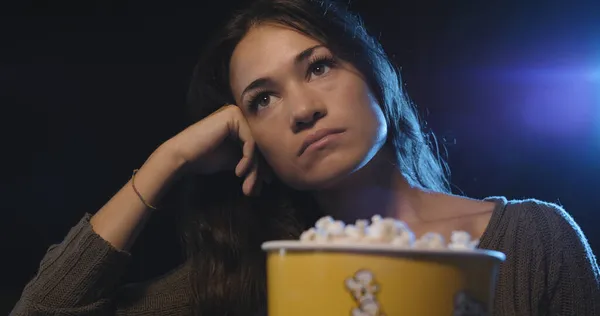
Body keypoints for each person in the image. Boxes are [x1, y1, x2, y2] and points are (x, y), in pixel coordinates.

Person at [11, 0, 600, 315]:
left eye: (318, 66)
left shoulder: (533, 239)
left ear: (376, 80)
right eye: (261, 100)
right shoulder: (250, 278)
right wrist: (169, 159)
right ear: (249, 138)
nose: (301, 110)